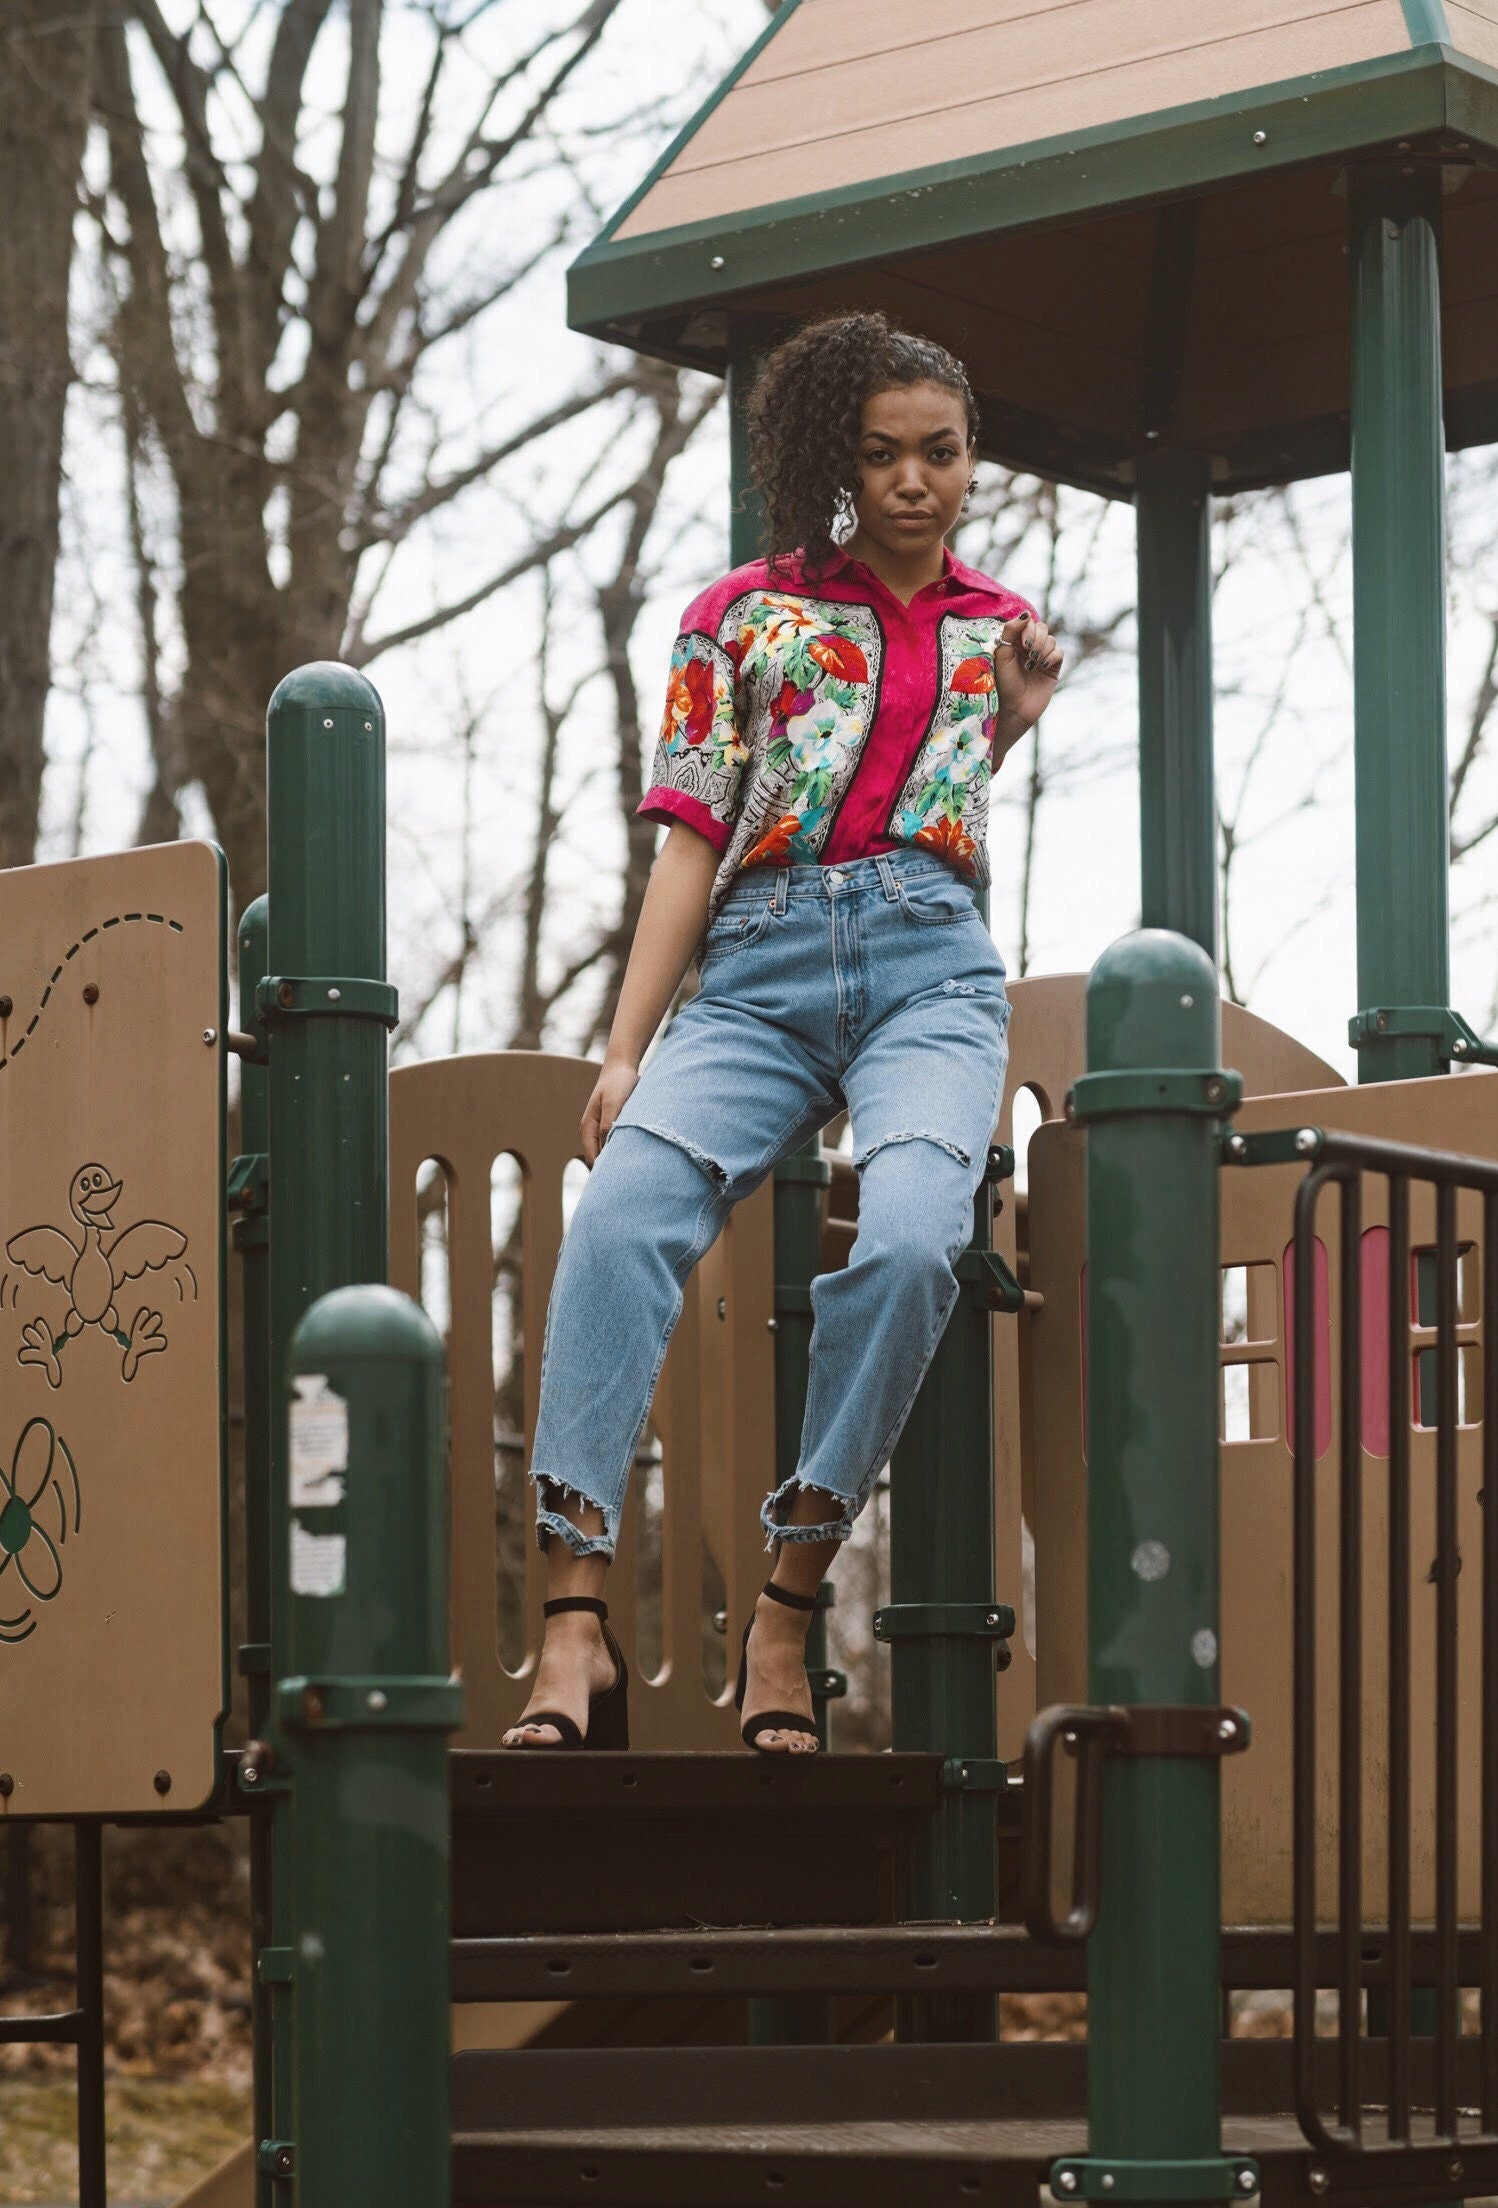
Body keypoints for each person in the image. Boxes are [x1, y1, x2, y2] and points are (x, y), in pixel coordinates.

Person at [504, 310, 1063, 1755]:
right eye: (879, 456)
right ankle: (573, 1618)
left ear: (972, 459)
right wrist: (625, 1052)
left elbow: (920, 791)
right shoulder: (737, 618)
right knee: (620, 1223)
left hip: (929, 970)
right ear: (837, 461)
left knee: (910, 1242)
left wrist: (1006, 725)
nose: (912, 483)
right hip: (751, 972)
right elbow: (691, 839)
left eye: (940, 453)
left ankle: (788, 1605)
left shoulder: (1001, 629)